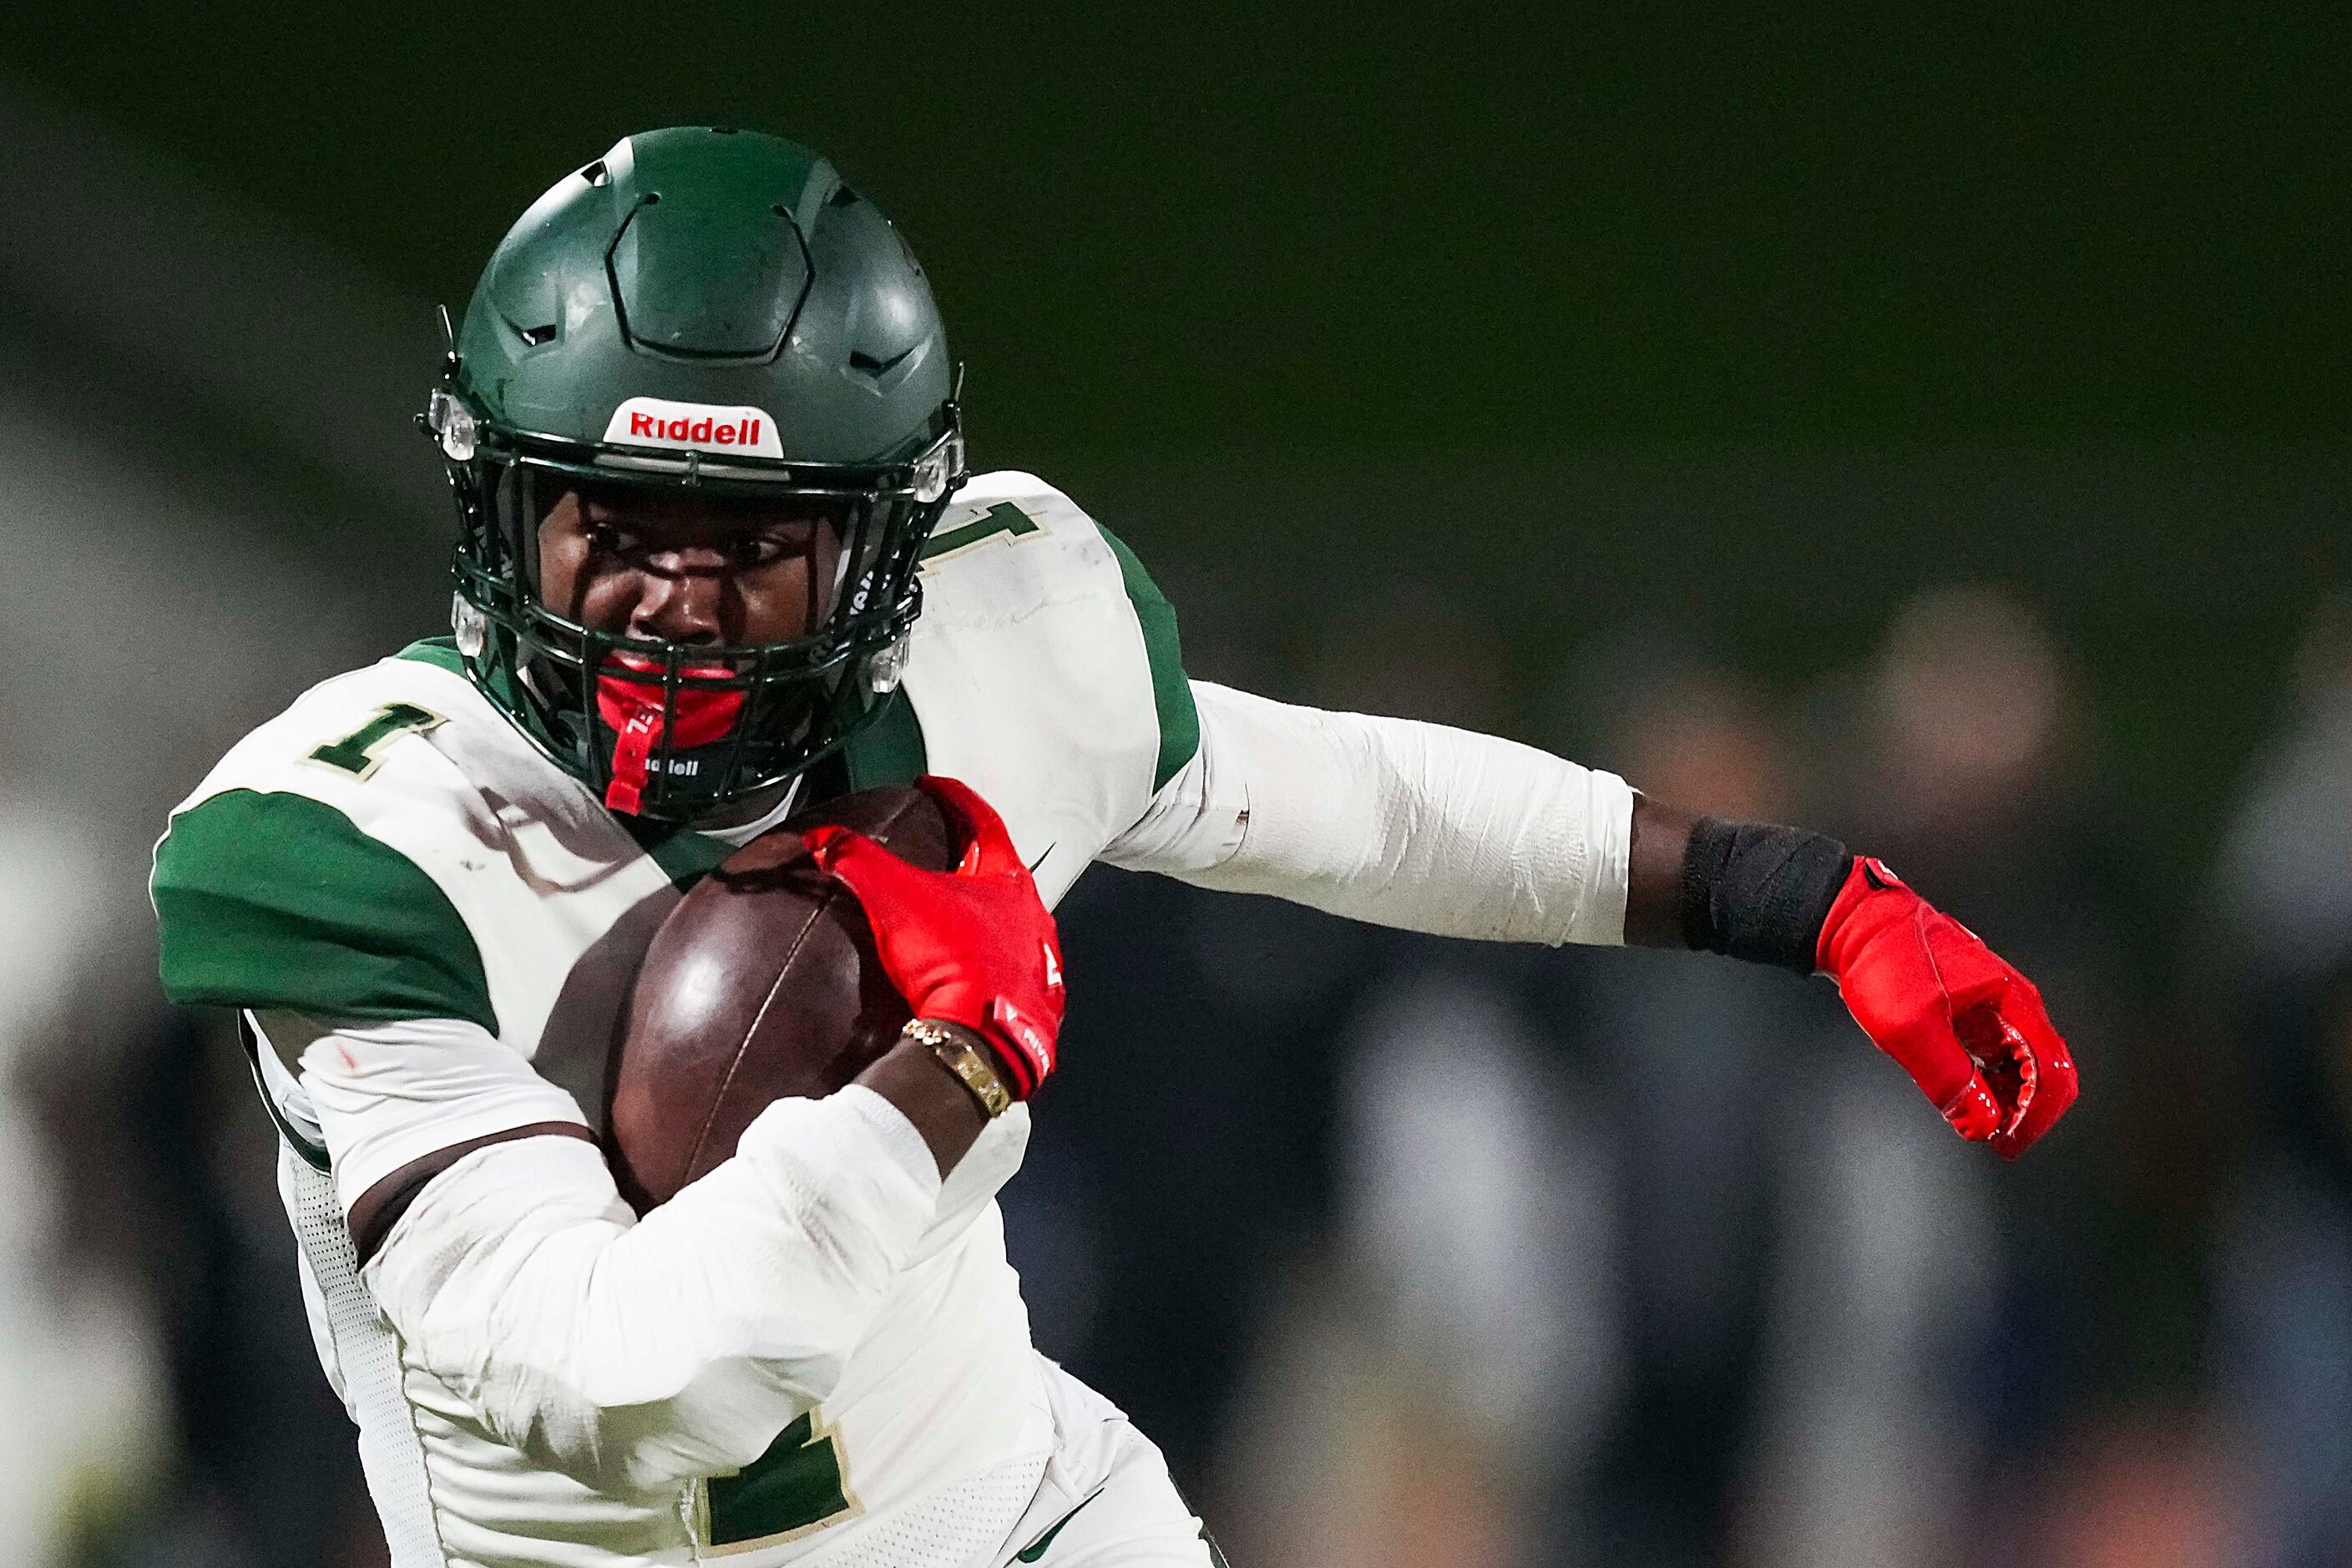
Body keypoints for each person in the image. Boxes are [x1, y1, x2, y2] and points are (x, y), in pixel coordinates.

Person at [149, 128, 2078, 1568]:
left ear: (882, 549)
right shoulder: (357, 840)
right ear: (502, 505)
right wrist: (949, 1061)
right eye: (610, 519)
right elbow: (633, 1392)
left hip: (1019, 1525)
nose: (670, 598)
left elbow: (1352, 804)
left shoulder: (999, 649)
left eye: (749, 544)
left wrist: (1793, 894)